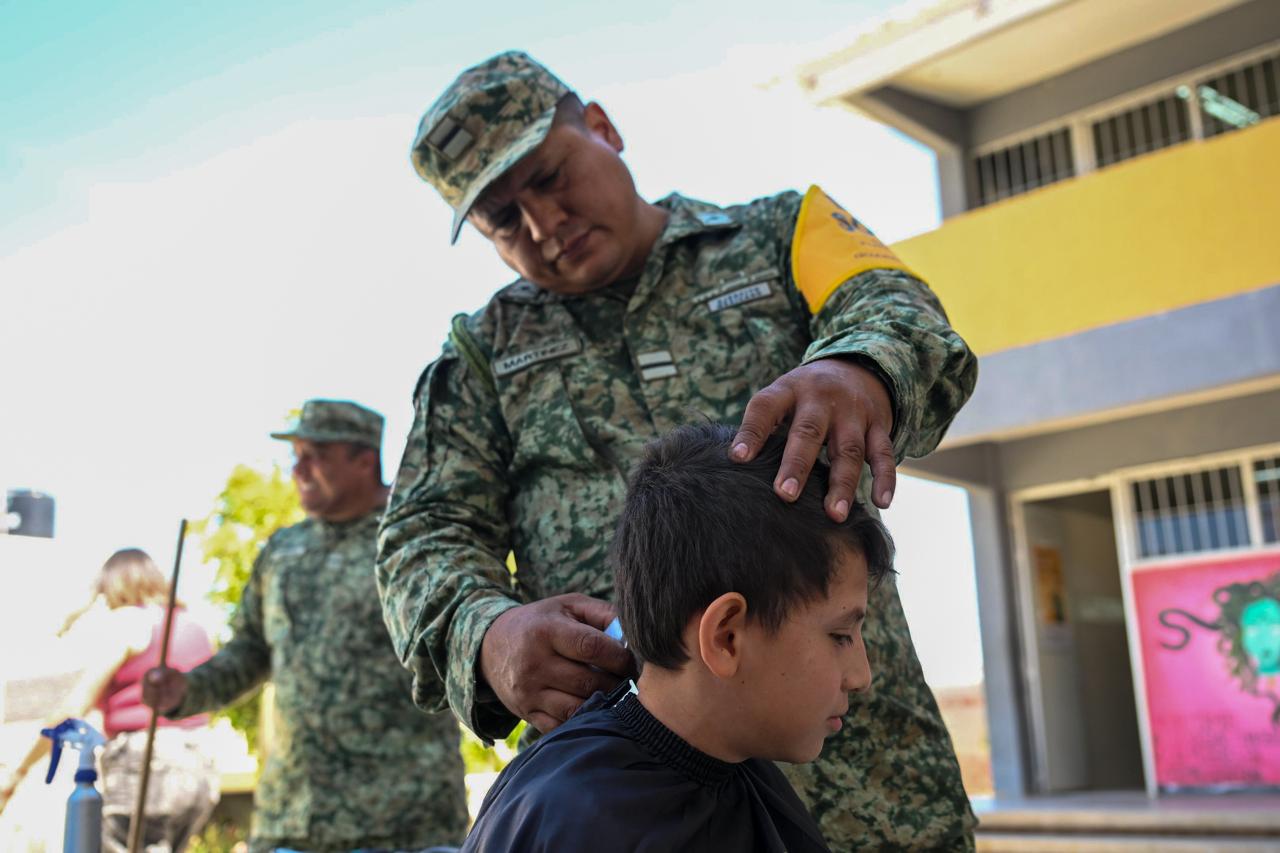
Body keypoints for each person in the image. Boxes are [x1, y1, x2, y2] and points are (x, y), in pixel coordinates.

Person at [378, 51, 979, 849]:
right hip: (634, 814)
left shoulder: (782, 234)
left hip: (871, 797)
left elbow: (901, 309)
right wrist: (485, 635)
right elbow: (419, 539)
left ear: (602, 127)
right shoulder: (482, 358)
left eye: (551, 177)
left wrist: (858, 366)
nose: (544, 225)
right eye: (504, 220)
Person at [462, 423, 894, 852]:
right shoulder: (582, 822)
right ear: (725, 637)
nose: (861, 677)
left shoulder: (744, 781)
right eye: (840, 636)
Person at [143, 400, 469, 853]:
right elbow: (251, 651)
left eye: (315, 455)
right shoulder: (283, 550)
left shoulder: (416, 539)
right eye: (295, 455)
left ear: (364, 461)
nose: (298, 469)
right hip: (292, 821)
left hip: (404, 822)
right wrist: (188, 691)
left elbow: (458, 643)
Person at [0, 548, 220, 853]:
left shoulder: (131, 622)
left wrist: (18, 771)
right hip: (200, 769)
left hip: (147, 764)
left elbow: (73, 708)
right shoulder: (196, 627)